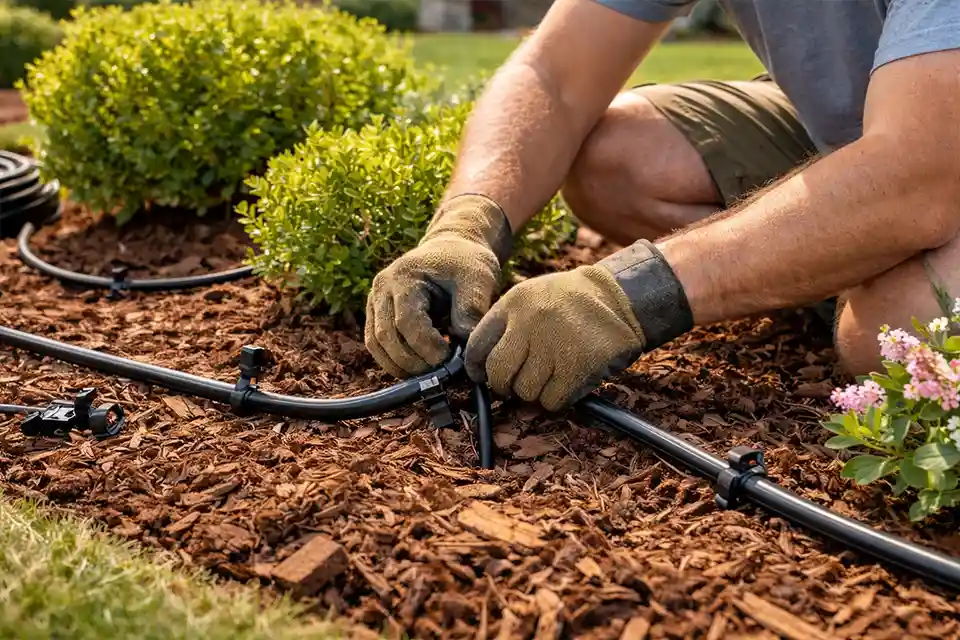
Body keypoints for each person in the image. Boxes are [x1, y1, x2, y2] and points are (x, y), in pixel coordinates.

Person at [365, 0, 960, 412]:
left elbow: (920, 166)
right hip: (873, 124)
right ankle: (835, 250)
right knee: (615, 161)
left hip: (934, 148)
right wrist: (466, 223)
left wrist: (631, 294)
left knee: (890, 326)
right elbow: (552, 74)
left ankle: (853, 257)